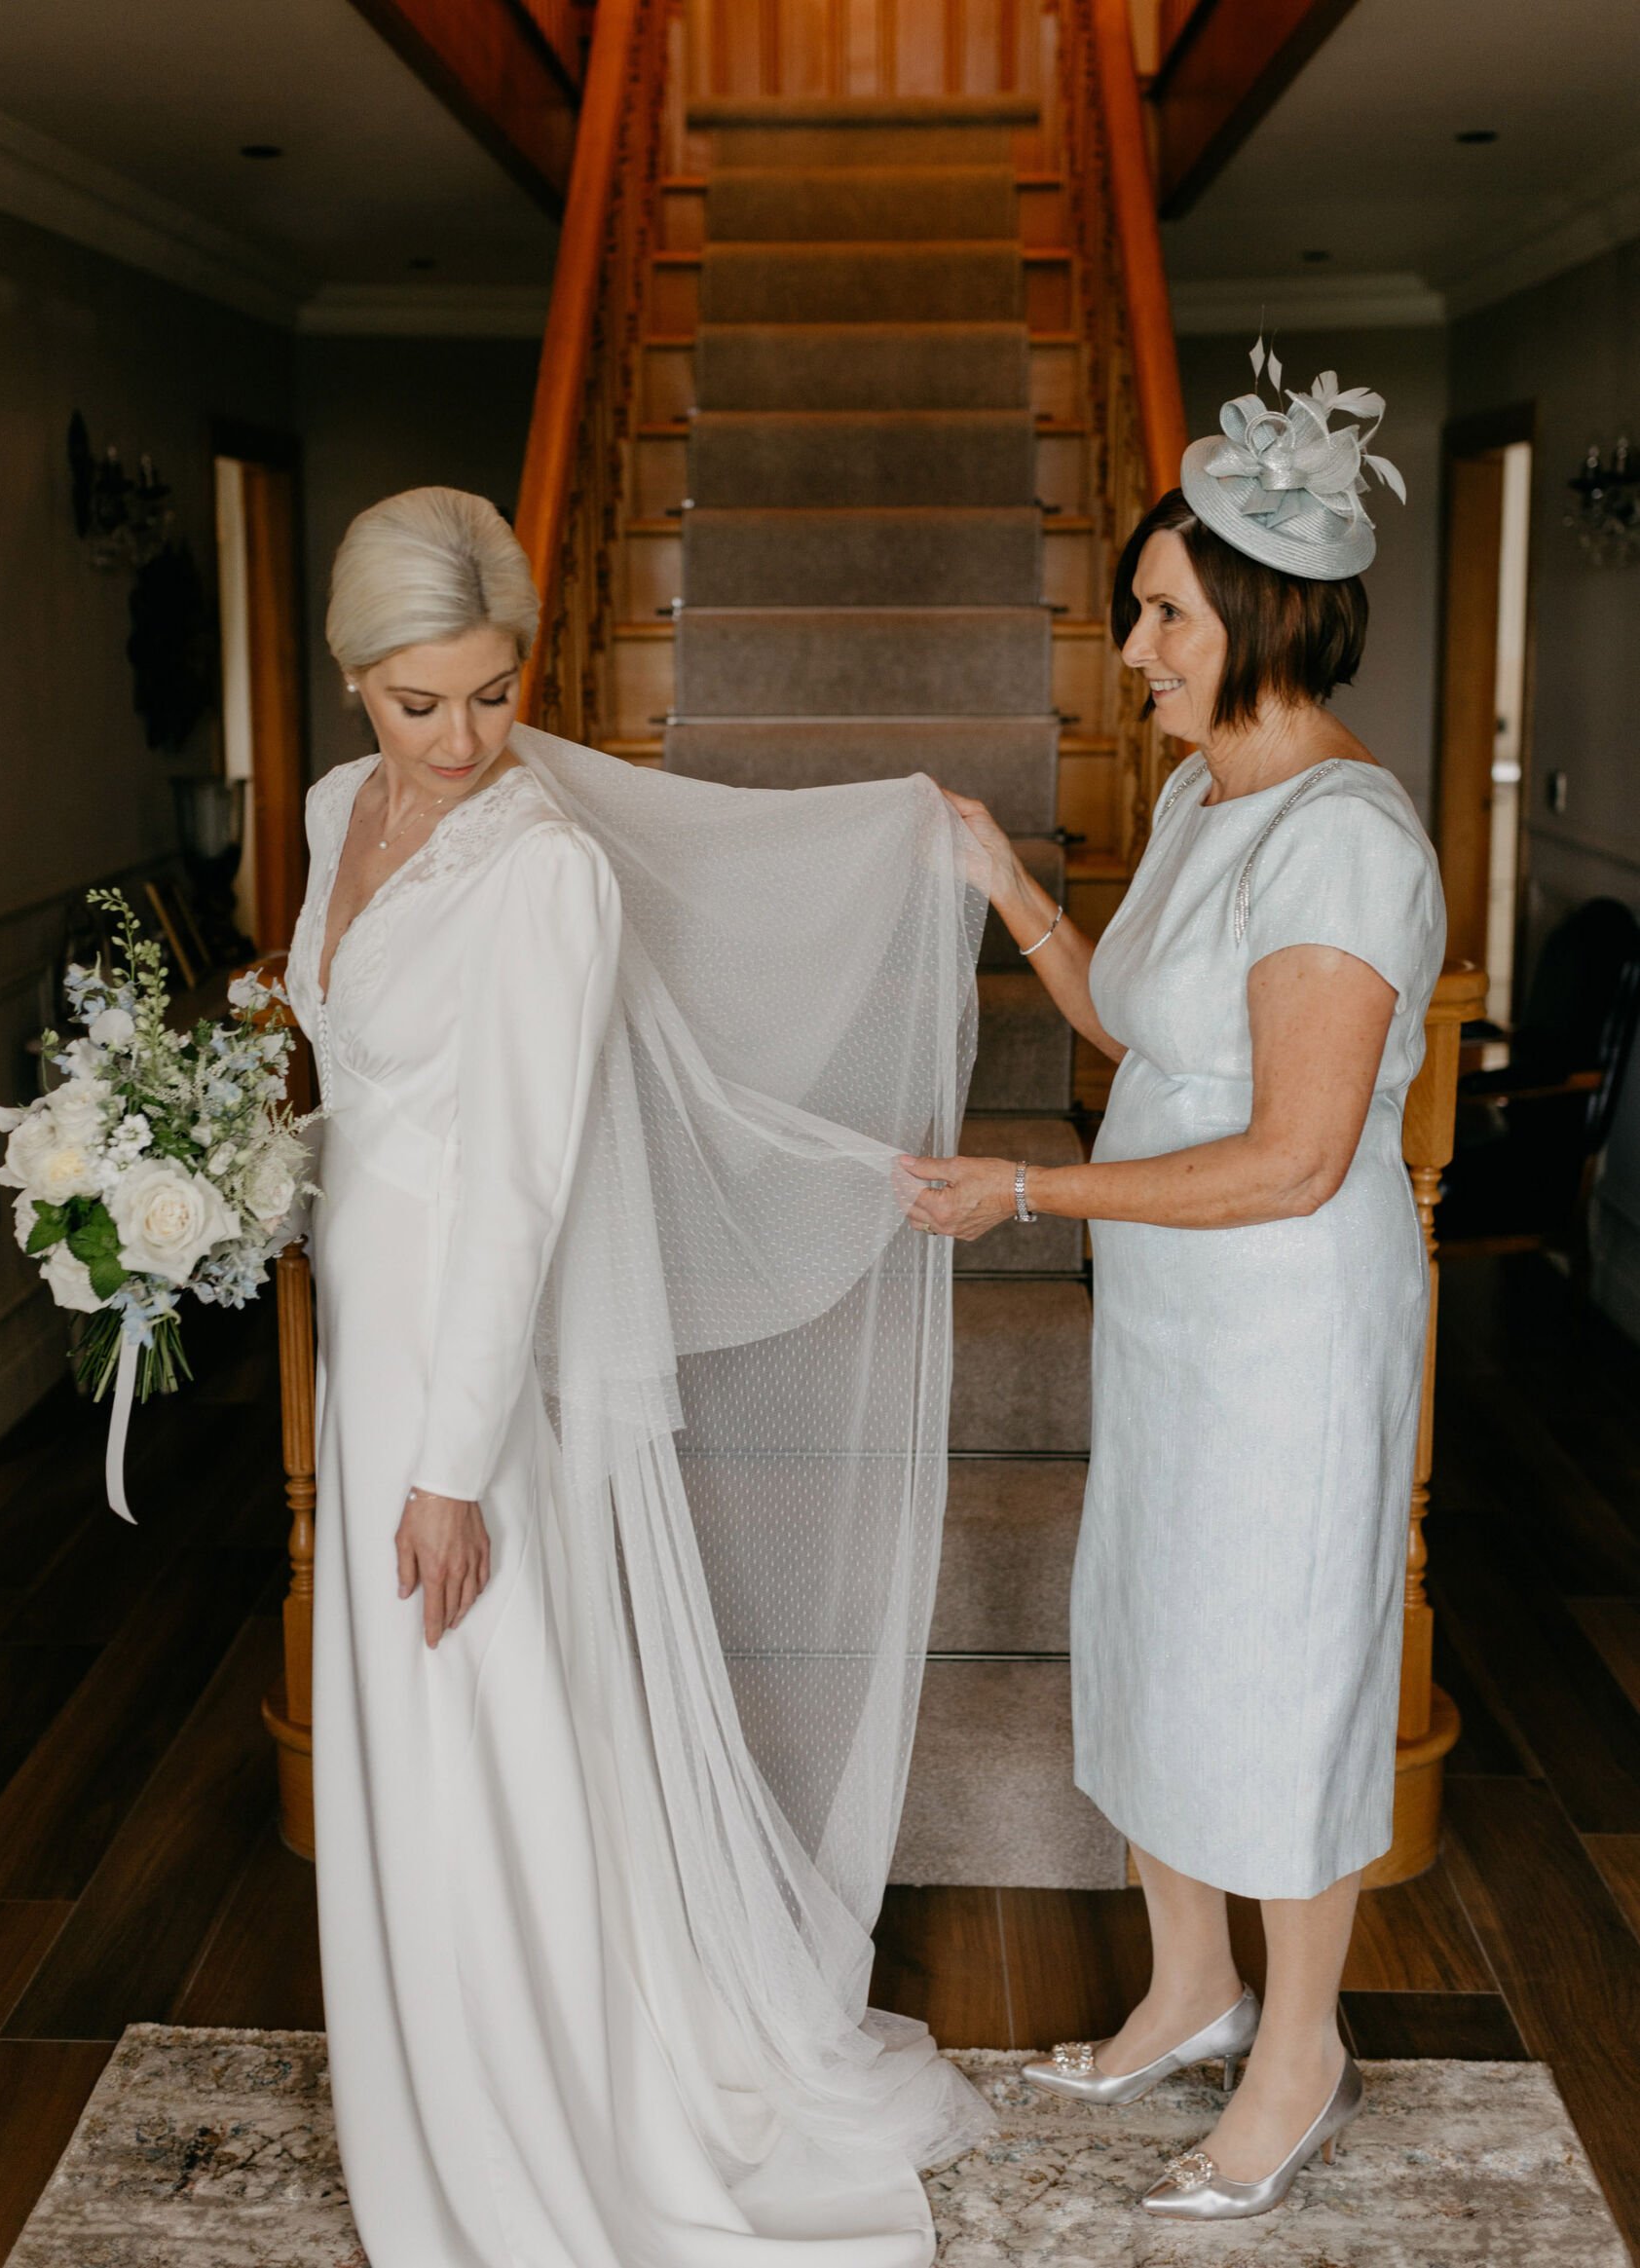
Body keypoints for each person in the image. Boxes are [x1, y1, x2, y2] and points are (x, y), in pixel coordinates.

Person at [283, 488, 990, 2268]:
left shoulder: (549, 870)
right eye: (416, 701)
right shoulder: (323, 813)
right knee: (410, 1759)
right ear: (352, 678)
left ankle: (524, 2133)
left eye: (495, 694)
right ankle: (420, 2089)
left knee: (486, 1757)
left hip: (466, 1383)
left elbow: (518, 1186)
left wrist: (453, 1466)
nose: (460, 742)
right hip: (360, 1344)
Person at [902, 356, 1445, 2221]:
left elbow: (1295, 1152)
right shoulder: (1212, 799)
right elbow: (1139, 1021)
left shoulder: (1348, 841)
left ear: (1265, 619)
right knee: (1150, 1626)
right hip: (1174, 1315)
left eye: (1162, 614)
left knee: (1278, 1662)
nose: (1131, 645)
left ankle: (1299, 2044)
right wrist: (1007, 885)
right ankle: (1192, 1983)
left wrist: (1031, 1185)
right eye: (1141, 610)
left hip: (1289, 1322)